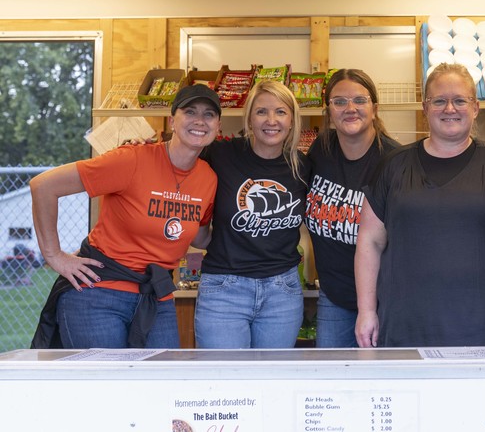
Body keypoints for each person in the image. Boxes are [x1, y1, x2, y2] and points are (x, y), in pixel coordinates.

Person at [354, 62, 485, 348]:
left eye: (459, 101)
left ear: (476, 107)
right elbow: (369, 242)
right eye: (439, 101)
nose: (449, 109)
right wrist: (366, 311)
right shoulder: (392, 166)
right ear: (425, 107)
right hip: (409, 325)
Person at [30, 84, 221, 348]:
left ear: (218, 125)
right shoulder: (132, 159)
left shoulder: (208, 178)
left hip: (156, 295)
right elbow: (44, 186)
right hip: (99, 292)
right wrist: (54, 256)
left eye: (209, 114)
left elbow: (200, 237)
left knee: (164, 382)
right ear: (172, 120)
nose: (200, 120)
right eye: (190, 112)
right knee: (108, 385)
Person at [193, 80, 310, 349]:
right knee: (224, 384)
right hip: (224, 289)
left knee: (273, 382)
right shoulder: (220, 154)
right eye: (261, 112)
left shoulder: (303, 167)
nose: (272, 120)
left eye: (281, 112)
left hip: (283, 292)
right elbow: (175, 162)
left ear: (292, 119)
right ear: (249, 119)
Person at [304, 68, 400, 348]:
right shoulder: (321, 151)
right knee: (332, 382)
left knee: (380, 385)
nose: (350, 109)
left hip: (384, 301)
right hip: (334, 297)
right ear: (329, 109)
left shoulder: (393, 161)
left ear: (374, 108)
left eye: (360, 100)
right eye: (339, 101)